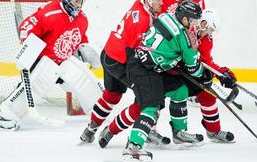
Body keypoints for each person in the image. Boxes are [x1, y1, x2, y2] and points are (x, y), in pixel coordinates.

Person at [97, 9, 237, 149]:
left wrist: (220, 73)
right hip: (154, 69)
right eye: (210, 29)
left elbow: (205, 60)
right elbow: (191, 64)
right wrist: (204, 74)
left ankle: (182, 132)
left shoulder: (204, 39)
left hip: (168, 69)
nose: (210, 34)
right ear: (202, 23)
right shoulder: (185, 33)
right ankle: (111, 130)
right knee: (143, 105)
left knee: (185, 91)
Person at [0, 0, 102, 130]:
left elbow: (79, 37)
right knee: (34, 88)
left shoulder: (82, 19)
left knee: (82, 80)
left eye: (80, 1)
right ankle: (7, 113)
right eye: (75, 1)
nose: (78, 5)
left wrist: (84, 47)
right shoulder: (49, 14)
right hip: (43, 61)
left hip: (64, 61)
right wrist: (27, 46)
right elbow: (26, 27)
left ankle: (99, 111)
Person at [79, 0, 166, 143]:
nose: (161, 3)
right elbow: (136, 53)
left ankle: (90, 129)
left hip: (110, 55)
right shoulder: (142, 20)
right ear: (147, 1)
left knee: (111, 96)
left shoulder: (141, 5)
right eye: (158, 0)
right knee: (147, 98)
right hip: (120, 61)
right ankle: (132, 129)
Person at [122, 0, 204, 161]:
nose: (195, 24)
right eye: (193, 20)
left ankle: (178, 133)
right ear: (185, 18)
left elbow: (167, 46)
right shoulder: (186, 37)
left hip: (145, 64)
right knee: (152, 107)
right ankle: (133, 147)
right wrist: (203, 71)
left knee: (180, 90)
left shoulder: (166, 17)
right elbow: (193, 69)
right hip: (144, 70)